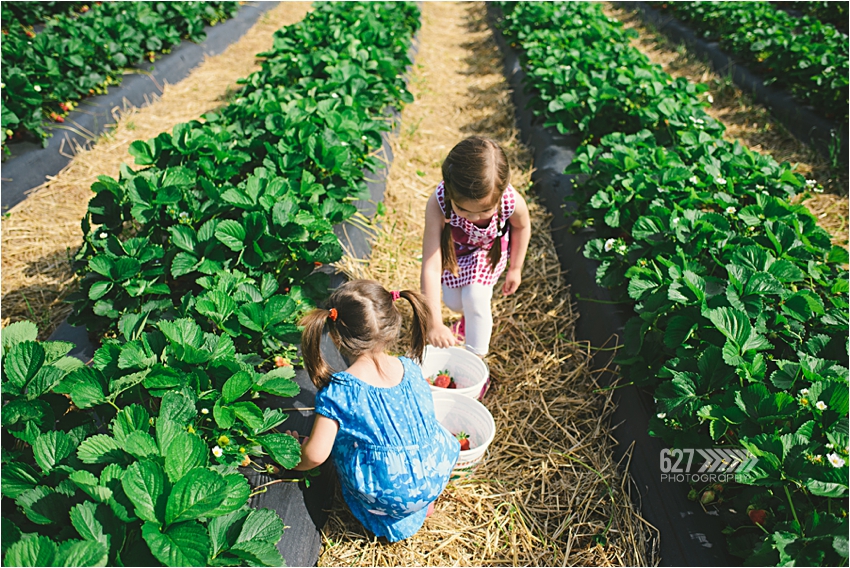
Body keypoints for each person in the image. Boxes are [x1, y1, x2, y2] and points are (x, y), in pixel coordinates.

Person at [289, 280, 460, 542]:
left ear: (336, 336)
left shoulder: (341, 391)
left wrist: (289, 457)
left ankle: (389, 516)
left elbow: (314, 455)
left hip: (388, 495)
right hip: (436, 473)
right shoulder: (411, 369)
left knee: (342, 444)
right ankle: (419, 502)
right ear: (391, 325)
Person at [420, 136, 531, 357]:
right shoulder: (439, 203)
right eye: (463, 210)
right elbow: (431, 266)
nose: (473, 217)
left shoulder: (510, 201)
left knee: (475, 297)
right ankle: (467, 320)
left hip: (488, 252)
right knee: (452, 301)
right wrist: (434, 323)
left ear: (499, 196)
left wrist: (515, 268)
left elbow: (522, 226)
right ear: (450, 193)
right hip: (458, 253)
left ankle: (476, 360)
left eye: (483, 211)